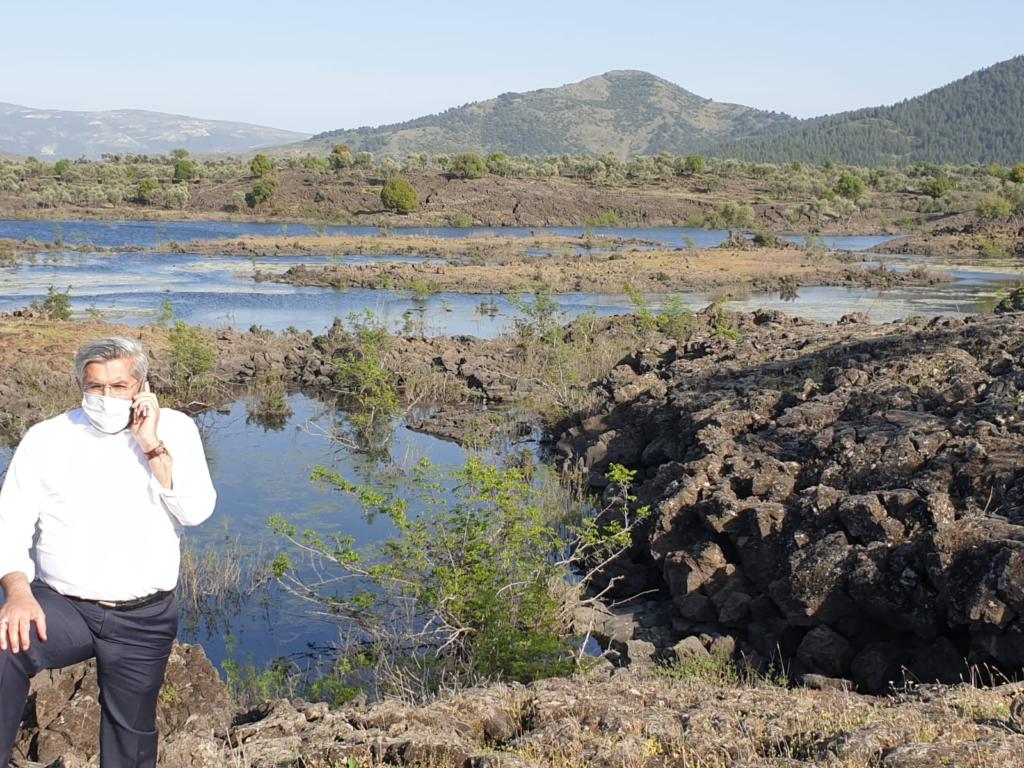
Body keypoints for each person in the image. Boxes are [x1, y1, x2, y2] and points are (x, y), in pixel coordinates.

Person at [0, 337, 216, 768]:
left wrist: (151, 444)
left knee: (130, 734)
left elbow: (195, 512)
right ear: (81, 385)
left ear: (142, 386)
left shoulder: (174, 429)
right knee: (6, 645)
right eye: (95, 387)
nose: (105, 397)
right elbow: (10, 523)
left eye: (119, 386)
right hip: (64, 606)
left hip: (144, 615)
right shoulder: (47, 437)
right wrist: (18, 593)